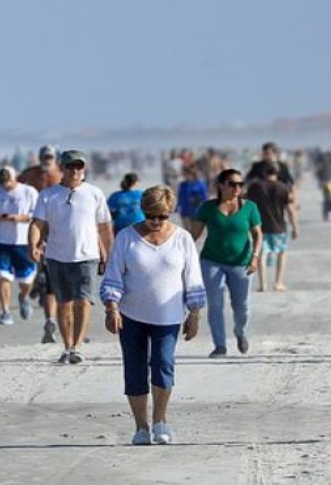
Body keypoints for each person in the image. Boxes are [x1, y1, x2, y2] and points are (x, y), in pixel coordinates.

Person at [100, 185, 206, 445]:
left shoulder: (182, 239)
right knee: (134, 371)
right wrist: (111, 308)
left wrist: (195, 314)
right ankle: (140, 427)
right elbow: (113, 275)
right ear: (143, 211)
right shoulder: (126, 237)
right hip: (131, 315)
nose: (156, 221)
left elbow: (193, 278)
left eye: (163, 216)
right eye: (151, 215)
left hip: (168, 317)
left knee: (162, 366)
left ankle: (160, 421)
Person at [29, 150, 114, 364]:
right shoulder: (48, 195)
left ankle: (77, 346)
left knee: (83, 302)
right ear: (62, 168)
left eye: (79, 166)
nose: (75, 170)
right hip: (57, 256)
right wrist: (33, 245)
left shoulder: (94, 193)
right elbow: (37, 224)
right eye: (70, 166)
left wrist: (109, 254)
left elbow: (104, 227)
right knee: (64, 303)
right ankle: (67, 346)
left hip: (87, 256)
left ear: (84, 169)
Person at [188, 169, 263, 357]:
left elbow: (257, 234)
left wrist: (255, 257)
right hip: (211, 261)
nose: (237, 187)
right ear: (221, 185)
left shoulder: (250, 207)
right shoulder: (207, 207)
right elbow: (193, 236)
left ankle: (240, 332)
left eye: (240, 184)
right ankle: (220, 345)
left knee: (242, 306)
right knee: (215, 304)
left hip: (241, 262)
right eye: (232, 184)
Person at [0, 166, 40, 325]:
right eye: (2, 182)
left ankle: (24, 296)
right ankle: (5, 312)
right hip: (2, 242)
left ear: (15, 178)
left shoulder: (29, 192)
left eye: (9, 181)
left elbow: (39, 214)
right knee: (3, 276)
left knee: (26, 280)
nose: (6, 185)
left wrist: (19, 217)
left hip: (24, 241)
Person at [17, 145, 64, 343]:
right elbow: (15, 186)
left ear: (55, 158)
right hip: (35, 225)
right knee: (42, 266)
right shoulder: (30, 173)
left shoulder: (62, 173)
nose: (46, 159)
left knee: (55, 272)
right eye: (43, 156)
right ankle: (39, 289)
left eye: (49, 156)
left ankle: (60, 321)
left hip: (57, 225)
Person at [245, 162, 298, 292]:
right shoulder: (283, 187)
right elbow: (290, 209)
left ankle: (263, 285)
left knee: (261, 254)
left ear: (264, 173)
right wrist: (295, 227)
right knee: (281, 253)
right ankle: (278, 282)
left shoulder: (255, 187)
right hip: (279, 227)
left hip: (260, 227)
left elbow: (246, 204)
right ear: (276, 173)